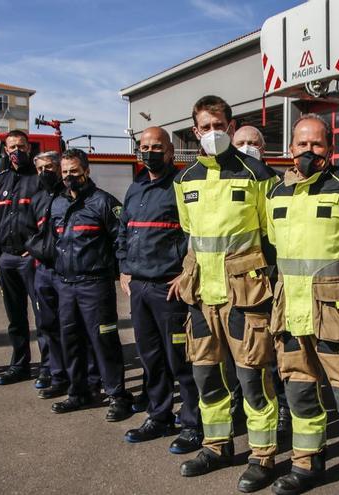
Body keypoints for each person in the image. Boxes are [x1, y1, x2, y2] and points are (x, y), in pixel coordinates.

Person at [267, 114, 339, 495]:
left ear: (329, 149)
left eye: (317, 144)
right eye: (302, 144)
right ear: (290, 149)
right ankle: (306, 466)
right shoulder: (275, 193)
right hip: (291, 313)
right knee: (299, 394)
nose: (308, 151)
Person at [173, 95, 279, 493]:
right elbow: (191, 238)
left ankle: (262, 456)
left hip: (245, 296)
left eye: (220, 125)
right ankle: (216, 446)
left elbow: (273, 238)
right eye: (206, 127)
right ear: (195, 131)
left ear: (231, 128)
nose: (214, 133)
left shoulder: (257, 174)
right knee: (207, 378)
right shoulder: (184, 181)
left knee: (253, 379)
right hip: (201, 297)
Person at [117, 126, 202, 453]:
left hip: (169, 289)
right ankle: (159, 415)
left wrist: (185, 272)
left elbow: (192, 234)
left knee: (180, 360)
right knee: (150, 357)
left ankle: (193, 423)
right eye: (144, 146)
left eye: (157, 147)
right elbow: (123, 230)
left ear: (170, 152)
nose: (149, 152)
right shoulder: (135, 187)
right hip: (139, 288)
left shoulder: (181, 187)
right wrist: (124, 266)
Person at [48, 148, 134, 422]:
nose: (70, 177)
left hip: (95, 285)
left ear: (86, 170)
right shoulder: (57, 204)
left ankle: (117, 395)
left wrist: (122, 272)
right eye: (65, 172)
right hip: (65, 285)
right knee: (70, 341)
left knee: (104, 341)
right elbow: (54, 241)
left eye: (74, 171)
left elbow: (121, 240)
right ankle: (79, 392)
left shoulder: (104, 203)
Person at [233, 124, 291, 435]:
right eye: (239, 142)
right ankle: (246, 406)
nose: (246, 147)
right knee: (247, 352)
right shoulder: (229, 183)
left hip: (272, 276)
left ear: (263, 148)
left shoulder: (277, 183)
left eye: (251, 143)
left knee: (275, 351)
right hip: (240, 283)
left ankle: (284, 410)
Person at [0, 130, 51, 388]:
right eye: (12, 147)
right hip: (7, 260)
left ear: (29, 149)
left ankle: (48, 368)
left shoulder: (39, 181)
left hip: (31, 261)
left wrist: (35, 249)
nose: (17, 151)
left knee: (43, 316)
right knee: (15, 318)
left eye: (21, 146)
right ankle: (19, 365)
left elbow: (49, 220)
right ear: (5, 150)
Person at [25, 151, 74, 400]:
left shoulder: (70, 196)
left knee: (71, 325)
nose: (46, 172)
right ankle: (57, 375)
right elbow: (27, 229)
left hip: (66, 272)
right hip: (43, 271)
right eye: (41, 168)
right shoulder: (36, 199)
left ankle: (80, 377)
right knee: (48, 325)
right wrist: (37, 250)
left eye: (51, 167)